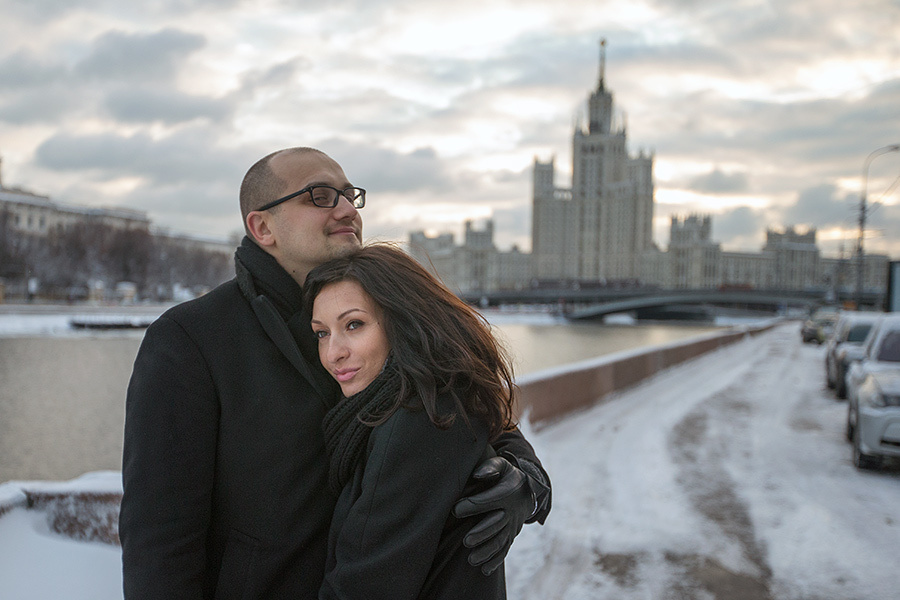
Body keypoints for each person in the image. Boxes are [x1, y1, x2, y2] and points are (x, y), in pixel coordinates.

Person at [119, 147, 551, 599]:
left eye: (349, 195)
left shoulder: (379, 309)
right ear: (262, 226)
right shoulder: (190, 339)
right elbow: (159, 539)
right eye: (320, 196)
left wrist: (526, 478)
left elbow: (454, 393)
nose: (348, 209)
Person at [306, 243, 524, 598]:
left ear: (401, 323)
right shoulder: (417, 400)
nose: (334, 352)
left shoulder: (419, 423)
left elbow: (364, 587)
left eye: (354, 324)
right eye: (322, 333)